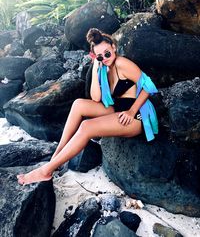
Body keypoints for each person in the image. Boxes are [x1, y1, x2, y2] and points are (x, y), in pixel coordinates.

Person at [17, 28, 158, 185]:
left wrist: (131, 112)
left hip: (136, 114)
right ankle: (57, 156)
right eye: (100, 56)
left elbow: (149, 86)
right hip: (118, 107)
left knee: (86, 126)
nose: (104, 58)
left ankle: (46, 171)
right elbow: (96, 97)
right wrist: (97, 67)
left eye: (107, 53)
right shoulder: (104, 67)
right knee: (78, 104)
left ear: (113, 47)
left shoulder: (122, 63)